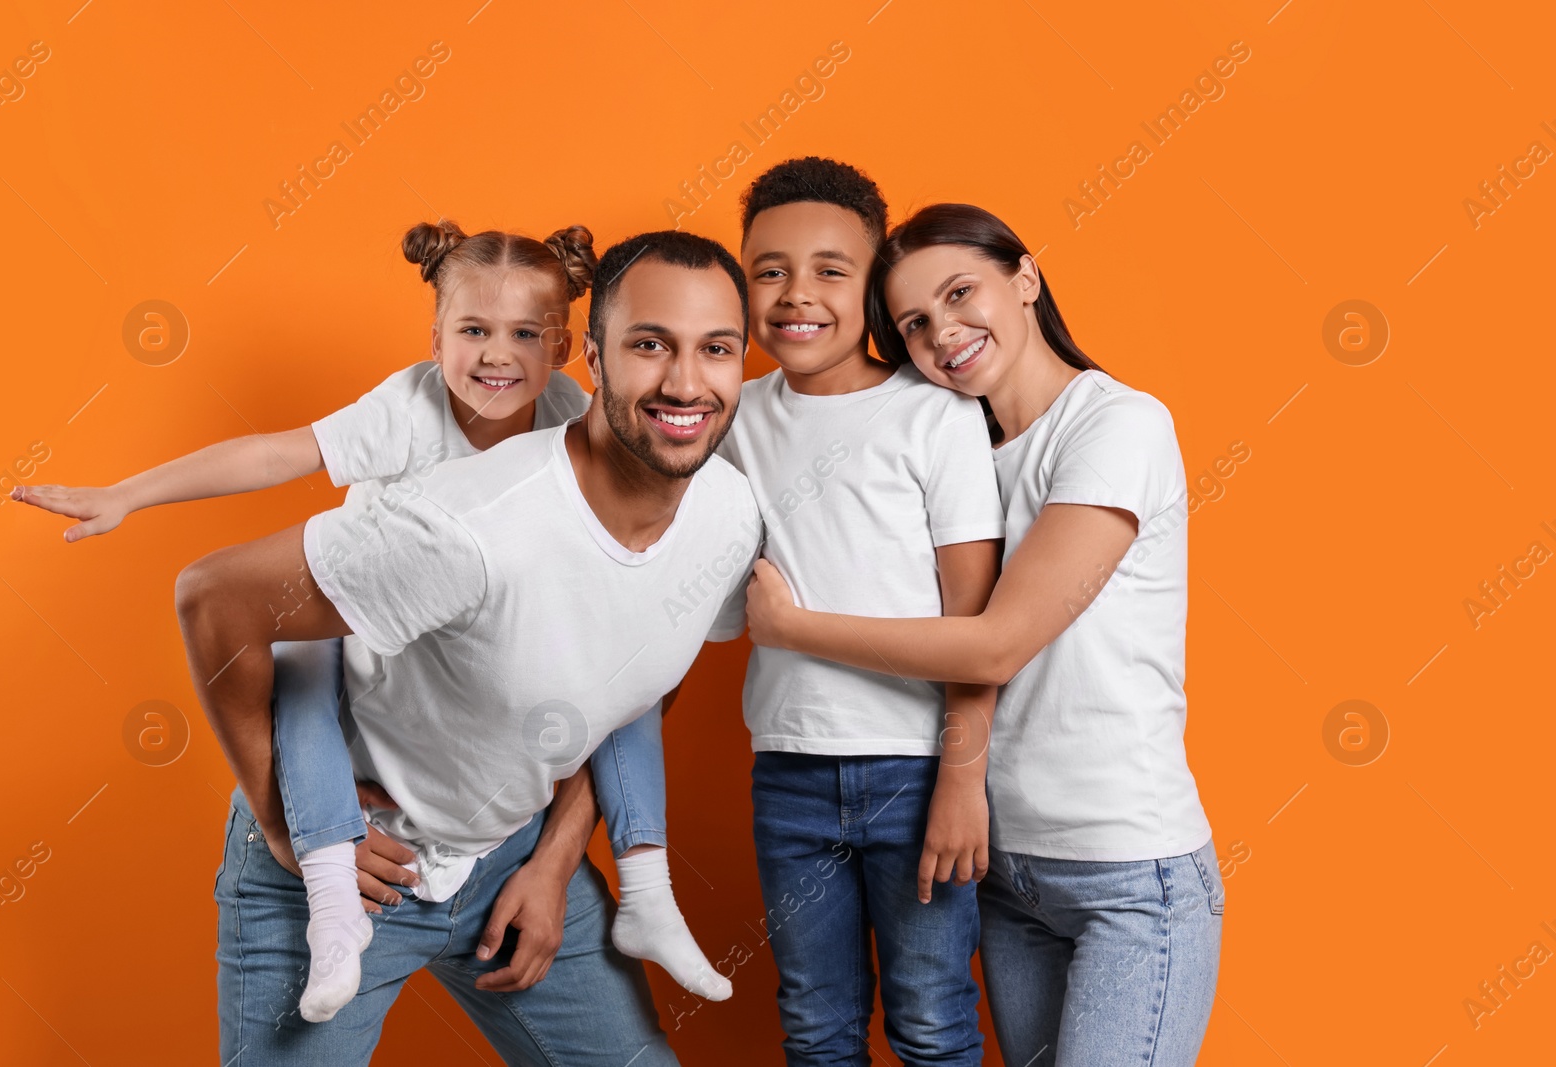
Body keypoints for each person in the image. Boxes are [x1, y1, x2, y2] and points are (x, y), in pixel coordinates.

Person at [177, 229, 757, 1064]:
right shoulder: (468, 523)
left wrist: (557, 860)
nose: (686, 382)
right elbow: (214, 598)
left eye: (717, 350)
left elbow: (637, 687)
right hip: (350, 860)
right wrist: (282, 820)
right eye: (649, 345)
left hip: (510, 855)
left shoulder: (728, 513)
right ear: (590, 357)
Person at [15, 220, 604, 1020]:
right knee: (298, 668)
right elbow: (272, 455)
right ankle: (328, 897)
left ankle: (639, 880)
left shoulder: (571, 416)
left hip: (472, 735)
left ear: (564, 347)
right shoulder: (408, 409)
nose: (497, 355)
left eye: (524, 334)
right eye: (473, 331)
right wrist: (129, 493)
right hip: (360, 625)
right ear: (435, 340)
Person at [745, 203, 1222, 1067]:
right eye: (917, 323)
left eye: (962, 294)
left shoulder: (1118, 425)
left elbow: (995, 644)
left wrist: (792, 625)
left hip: (1127, 870)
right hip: (1007, 874)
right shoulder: (964, 443)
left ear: (1027, 279)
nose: (944, 334)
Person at [717, 159, 1004, 1065]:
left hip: (919, 775)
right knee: (815, 1023)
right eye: (769, 271)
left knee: (931, 1017)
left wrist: (962, 781)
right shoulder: (734, 413)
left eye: (831, 270)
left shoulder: (936, 415)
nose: (797, 294)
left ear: (874, 285)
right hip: (788, 772)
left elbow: (977, 623)